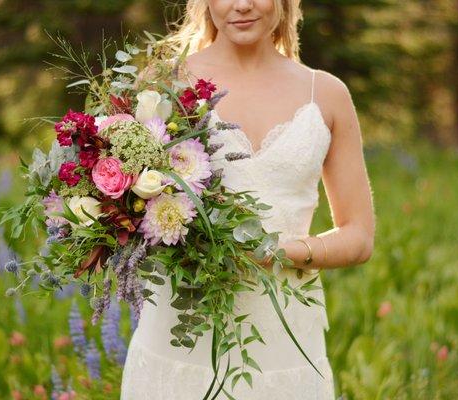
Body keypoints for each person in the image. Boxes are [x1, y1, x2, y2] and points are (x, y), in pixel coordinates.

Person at [120, 0, 375, 399]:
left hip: (284, 338)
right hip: (181, 335)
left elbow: (359, 236)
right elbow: (127, 204)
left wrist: (280, 251)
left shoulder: (326, 93)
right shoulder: (165, 84)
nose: (242, 5)